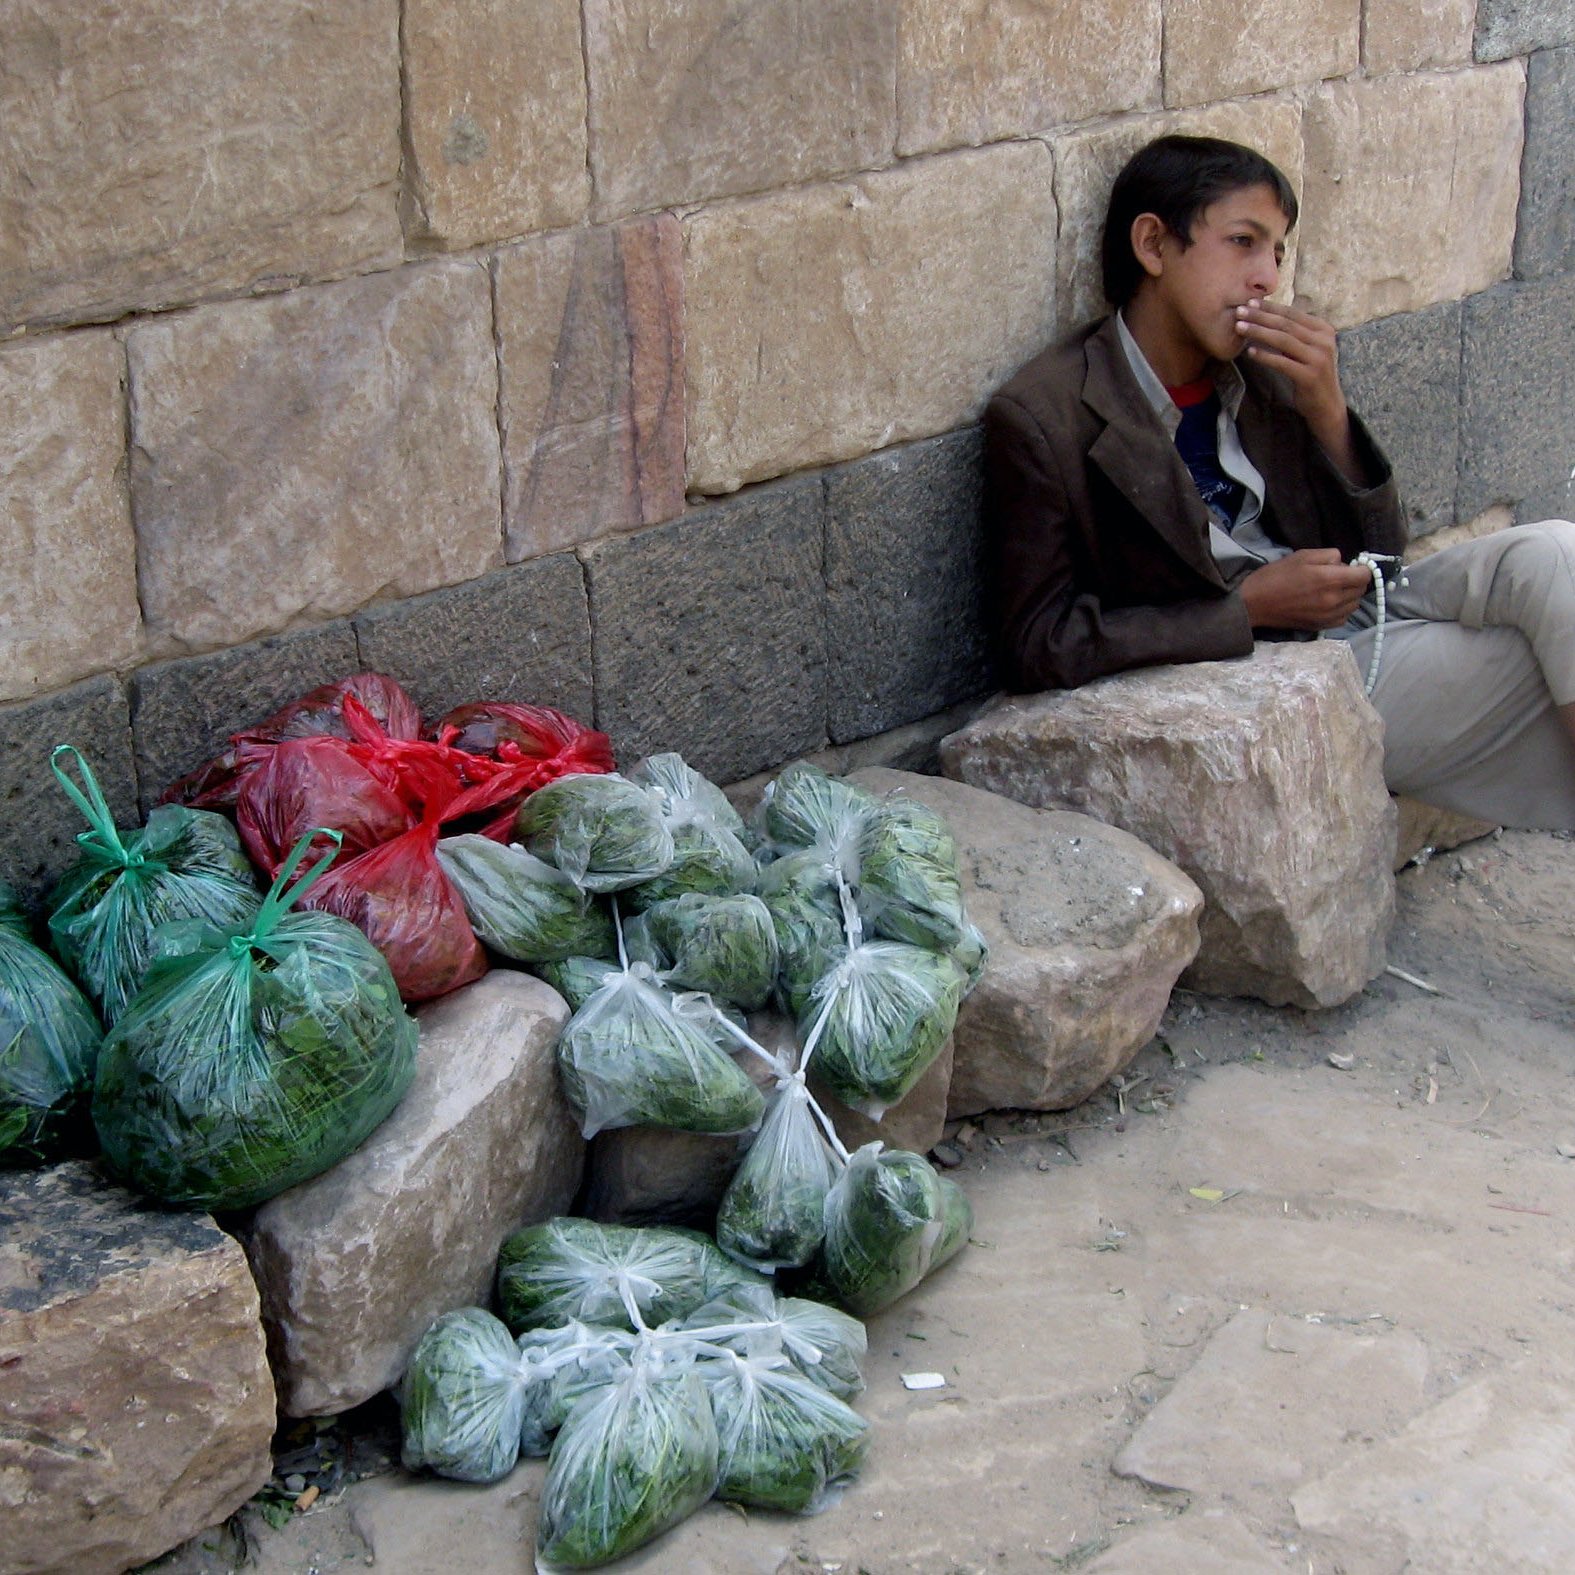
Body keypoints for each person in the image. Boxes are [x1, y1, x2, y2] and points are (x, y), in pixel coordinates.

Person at [986, 134, 1575, 830]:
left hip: (1346, 619)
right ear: (1152, 245)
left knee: (1553, 552)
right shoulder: (1045, 414)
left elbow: (1380, 562)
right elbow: (1035, 641)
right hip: (1257, 660)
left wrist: (1327, 410)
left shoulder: (1260, 375)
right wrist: (1248, 608)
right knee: (1525, 668)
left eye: (1277, 251)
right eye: (1242, 241)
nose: (1266, 275)